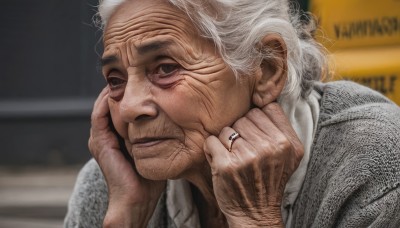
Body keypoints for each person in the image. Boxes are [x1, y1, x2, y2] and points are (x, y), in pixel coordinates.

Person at [64, 0, 400, 227]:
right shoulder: (114, 182)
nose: (129, 106)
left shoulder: (374, 163)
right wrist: (125, 217)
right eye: (116, 79)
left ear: (266, 69)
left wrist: (255, 220)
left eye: (165, 68)